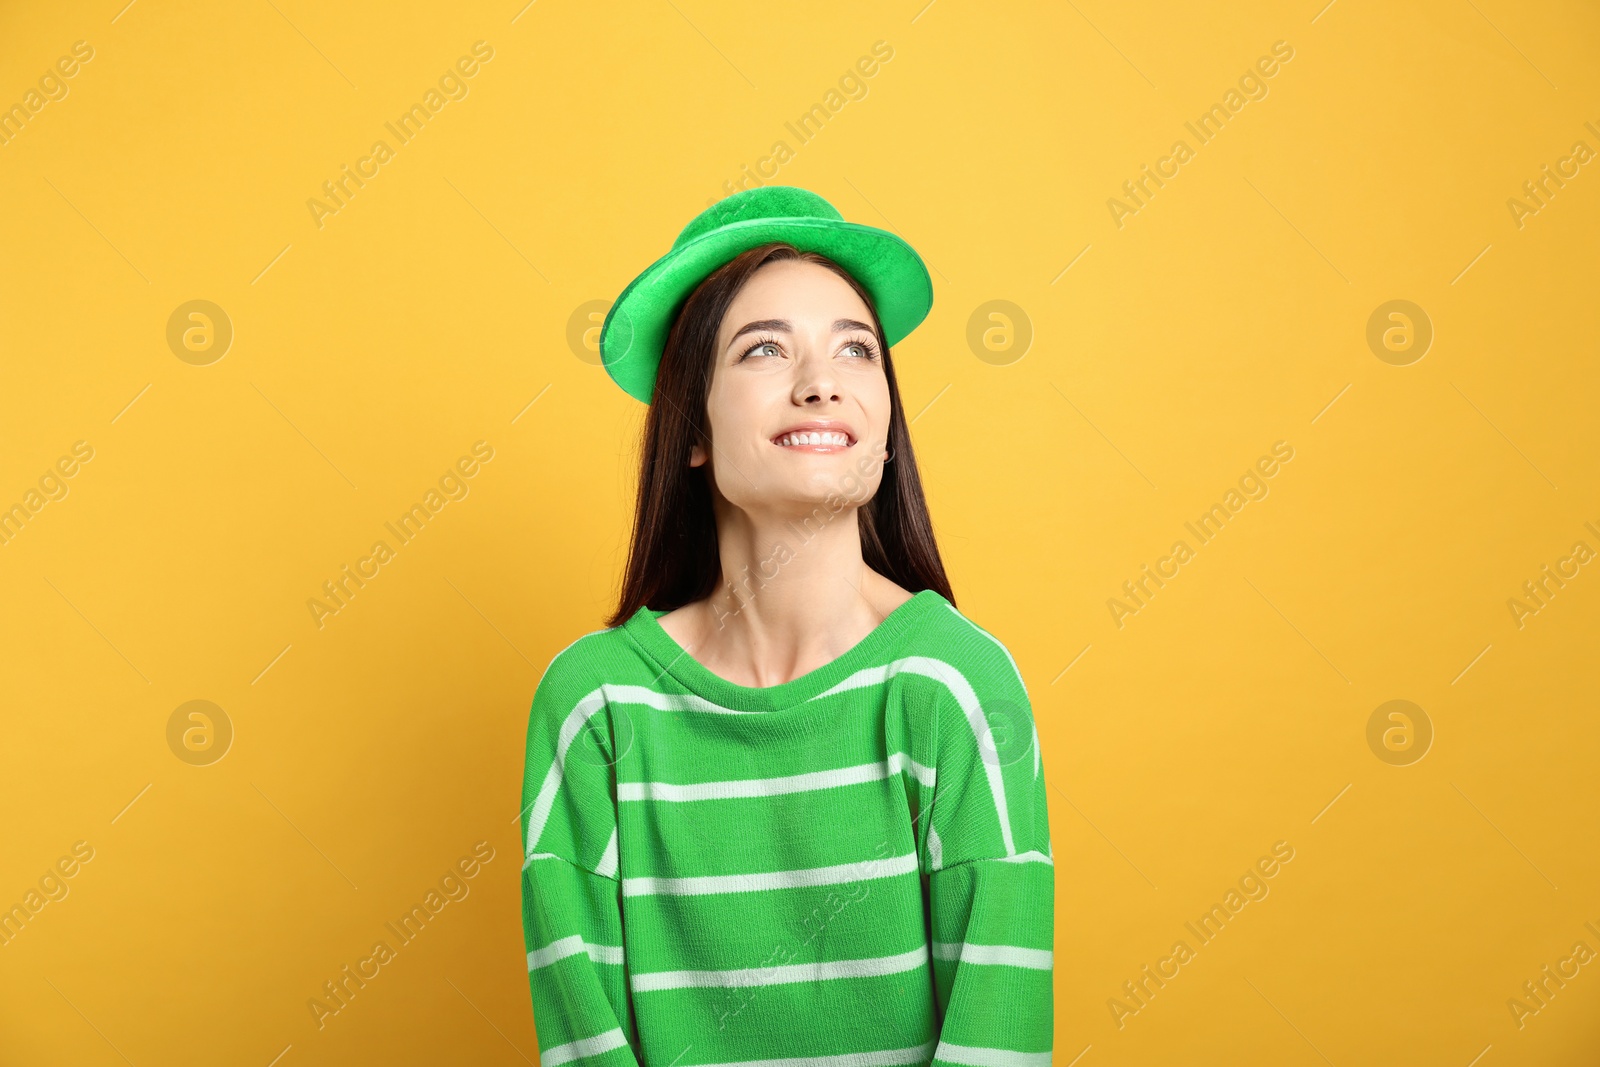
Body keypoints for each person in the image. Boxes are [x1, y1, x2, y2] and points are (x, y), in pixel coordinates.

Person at [518, 185, 1053, 1065]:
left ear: (884, 427)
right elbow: (581, 1028)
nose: (821, 384)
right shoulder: (593, 705)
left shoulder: (956, 684)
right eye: (764, 348)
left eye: (857, 351)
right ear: (689, 426)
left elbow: (998, 1028)